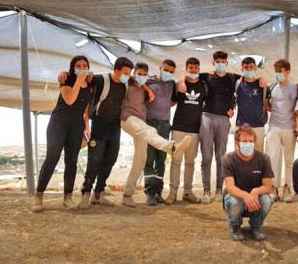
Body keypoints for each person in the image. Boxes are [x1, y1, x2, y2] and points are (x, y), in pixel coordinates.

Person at [177, 51, 265, 204]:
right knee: (206, 156)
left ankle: (219, 188)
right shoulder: (207, 76)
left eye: (222, 61)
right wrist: (182, 79)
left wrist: (262, 78)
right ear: (213, 63)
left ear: (227, 63)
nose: (220, 63)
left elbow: (250, 79)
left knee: (221, 156)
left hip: (224, 119)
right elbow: (189, 75)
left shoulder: (233, 77)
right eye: (217, 61)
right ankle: (206, 190)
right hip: (206, 117)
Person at [120, 62, 191, 208]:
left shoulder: (169, 84)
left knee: (146, 160)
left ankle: (131, 194)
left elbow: (173, 100)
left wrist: (147, 88)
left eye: (143, 74)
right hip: (136, 120)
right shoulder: (129, 82)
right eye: (138, 74)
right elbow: (116, 77)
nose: (141, 77)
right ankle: (171, 148)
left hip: (156, 123)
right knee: (149, 150)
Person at [33, 56, 92, 212]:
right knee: (52, 156)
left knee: (71, 161)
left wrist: (87, 126)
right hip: (58, 123)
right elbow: (70, 100)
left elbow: (85, 107)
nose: (81, 67)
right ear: (72, 68)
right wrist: (78, 81)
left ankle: (68, 197)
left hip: (76, 126)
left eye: (84, 65)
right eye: (78, 65)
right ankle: (38, 195)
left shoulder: (91, 84)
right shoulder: (66, 80)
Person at [77, 57, 134, 208]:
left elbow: (143, 81)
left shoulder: (126, 84)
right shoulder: (100, 79)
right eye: (125, 73)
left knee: (110, 160)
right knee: (94, 161)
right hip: (98, 126)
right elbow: (81, 79)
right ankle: (86, 193)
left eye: (129, 73)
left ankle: (98, 193)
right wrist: (64, 74)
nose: (127, 76)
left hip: (115, 127)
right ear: (116, 70)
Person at [165, 57, 207, 205]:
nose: (193, 70)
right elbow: (171, 102)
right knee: (175, 160)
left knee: (190, 162)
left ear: (199, 69)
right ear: (186, 68)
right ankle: (172, 193)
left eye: (196, 67)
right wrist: (181, 82)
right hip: (178, 127)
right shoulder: (178, 85)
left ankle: (188, 192)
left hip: (194, 129)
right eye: (190, 68)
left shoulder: (204, 85)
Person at [221, 125, 274, 241]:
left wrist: (255, 192)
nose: (248, 144)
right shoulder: (227, 159)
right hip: (237, 197)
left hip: (256, 199)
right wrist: (245, 196)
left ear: (255, 142)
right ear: (237, 142)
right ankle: (235, 226)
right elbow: (230, 187)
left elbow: (268, 186)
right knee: (233, 201)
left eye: (251, 141)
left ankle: (256, 226)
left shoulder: (263, 158)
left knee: (267, 200)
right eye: (244, 141)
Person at [265, 59, 298, 202]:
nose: (278, 74)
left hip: (290, 128)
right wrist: (274, 112)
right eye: (276, 71)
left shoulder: (297, 88)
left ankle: (288, 187)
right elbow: (266, 104)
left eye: (280, 71)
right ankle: (273, 187)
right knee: (272, 158)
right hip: (274, 126)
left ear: (287, 72)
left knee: (289, 160)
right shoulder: (271, 86)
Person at [143, 59, 178, 205]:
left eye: (171, 71)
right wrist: (148, 89)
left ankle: (158, 192)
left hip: (164, 125)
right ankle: (149, 192)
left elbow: (174, 100)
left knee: (161, 160)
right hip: (149, 123)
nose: (168, 73)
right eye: (166, 70)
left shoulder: (172, 84)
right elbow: (134, 80)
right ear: (160, 68)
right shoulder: (149, 81)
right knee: (149, 158)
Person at [235, 56, 268, 152]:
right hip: (241, 125)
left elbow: (267, 103)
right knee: (240, 155)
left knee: (258, 155)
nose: (249, 69)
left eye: (251, 67)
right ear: (242, 69)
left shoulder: (263, 86)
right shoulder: (238, 85)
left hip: (258, 126)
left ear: (255, 68)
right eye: (246, 67)